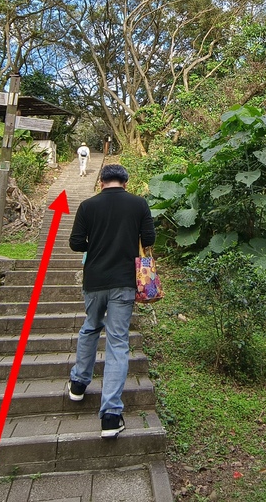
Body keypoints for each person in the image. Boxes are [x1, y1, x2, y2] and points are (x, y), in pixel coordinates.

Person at [67, 163, 156, 438]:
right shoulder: (138, 204)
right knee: (118, 342)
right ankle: (110, 416)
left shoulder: (87, 206)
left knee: (91, 327)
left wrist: (96, 241)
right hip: (124, 282)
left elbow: (76, 244)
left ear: (101, 182)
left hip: (94, 281)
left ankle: (79, 385)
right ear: (125, 183)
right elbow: (150, 238)